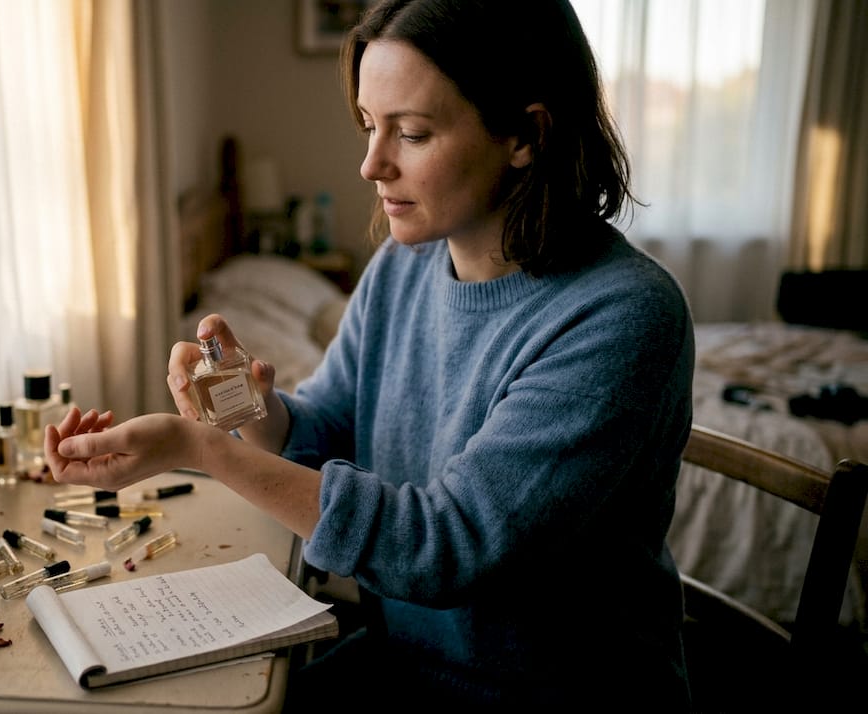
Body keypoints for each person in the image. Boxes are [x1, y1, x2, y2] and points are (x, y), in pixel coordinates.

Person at [44, 0, 694, 708]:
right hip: (403, 661)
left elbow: (446, 546)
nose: (370, 165)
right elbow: (326, 428)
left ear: (525, 135)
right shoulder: (403, 266)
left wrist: (205, 451)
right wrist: (242, 407)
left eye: (411, 133)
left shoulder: (622, 317)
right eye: (368, 126)